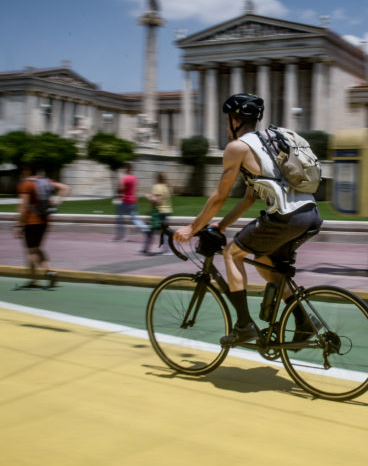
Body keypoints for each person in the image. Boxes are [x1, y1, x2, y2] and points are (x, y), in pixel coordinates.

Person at [175, 93, 323, 346]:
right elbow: (248, 199)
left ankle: (243, 326)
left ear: (234, 119)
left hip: (286, 217)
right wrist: (221, 225)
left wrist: (192, 227)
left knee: (233, 253)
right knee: (265, 260)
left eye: (227, 120)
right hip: (310, 214)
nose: (225, 125)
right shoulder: (269, 143)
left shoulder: (238, 148)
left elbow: (220, 196)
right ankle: (304, 320)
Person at [15, 166, 69, 288]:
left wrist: (18, 224)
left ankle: (33, 280)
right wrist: (58, 201)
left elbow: (23, 207)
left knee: (31, 251)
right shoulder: (45, 181)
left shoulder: (26, 184)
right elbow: (65, 188)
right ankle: (50, 270)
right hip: (45, 220)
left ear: (27, 171)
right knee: (38, 248)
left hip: (31, 221)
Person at [114, 162, 148, 241]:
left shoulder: (124, 178)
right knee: (135, 219)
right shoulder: (135, 178)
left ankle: (120, 236)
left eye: (124, 168)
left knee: (120, 219)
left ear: (126, 168)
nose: (123, 169)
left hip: (125, 201)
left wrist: (118, 188)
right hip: (133, 200)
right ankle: (146, 229)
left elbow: (121, 190)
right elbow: (136, 189)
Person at [141, 172, 172, 255]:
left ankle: (145, 248)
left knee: (150, 231)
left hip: (158, 212)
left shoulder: (156, 187)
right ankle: (166, 250)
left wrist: (148, 196)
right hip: (167, 211)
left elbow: (157, 200)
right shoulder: (167, 187)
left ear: (157, 178)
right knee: (165, 232)